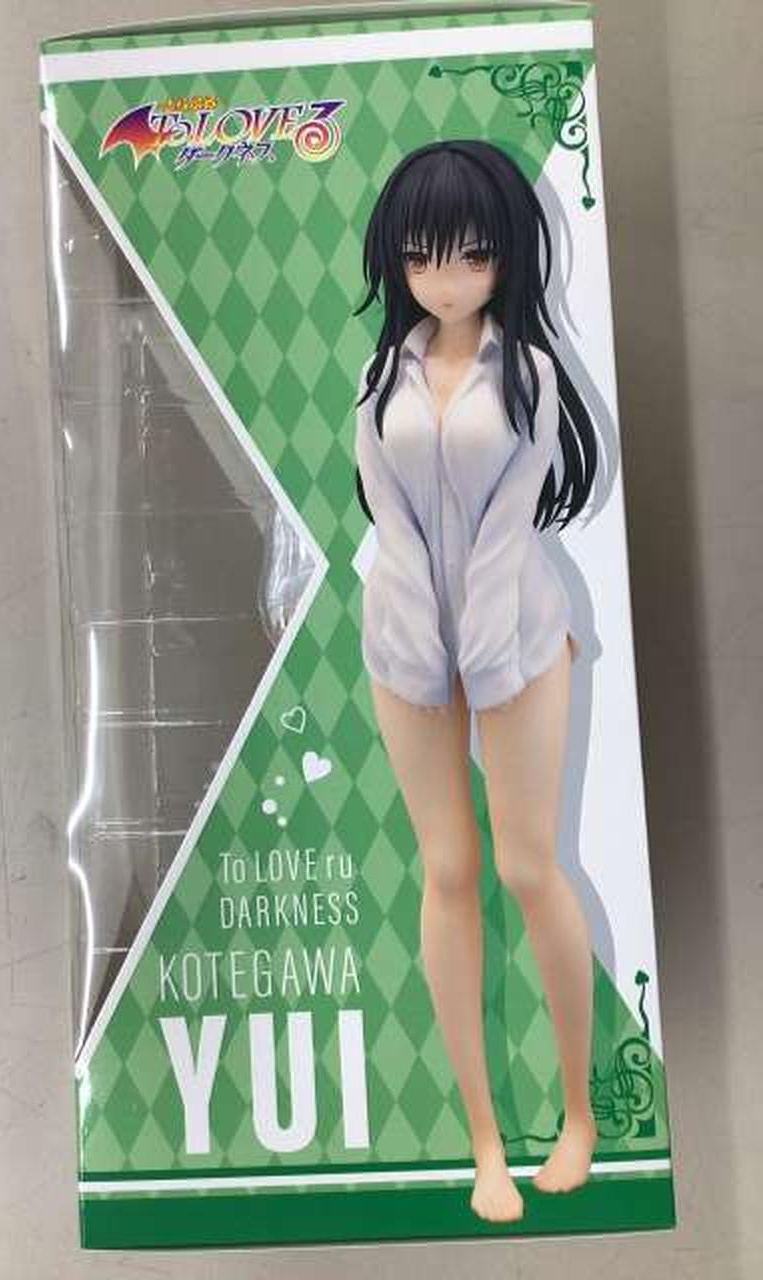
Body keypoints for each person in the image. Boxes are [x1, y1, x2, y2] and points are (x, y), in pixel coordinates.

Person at [354, 139, 600, 1222]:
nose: (446, 280)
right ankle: (485, 1139)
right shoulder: (383, 378)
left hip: (517, 639)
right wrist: (420, 643)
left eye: (469, 255)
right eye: (422, 258)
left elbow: (508, 526)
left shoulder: (528, 372)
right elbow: (388, 520)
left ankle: (580, 1111)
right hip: (408, 646)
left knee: (528, 866)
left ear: (504, 253)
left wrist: (490, 651)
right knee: (448, 869)